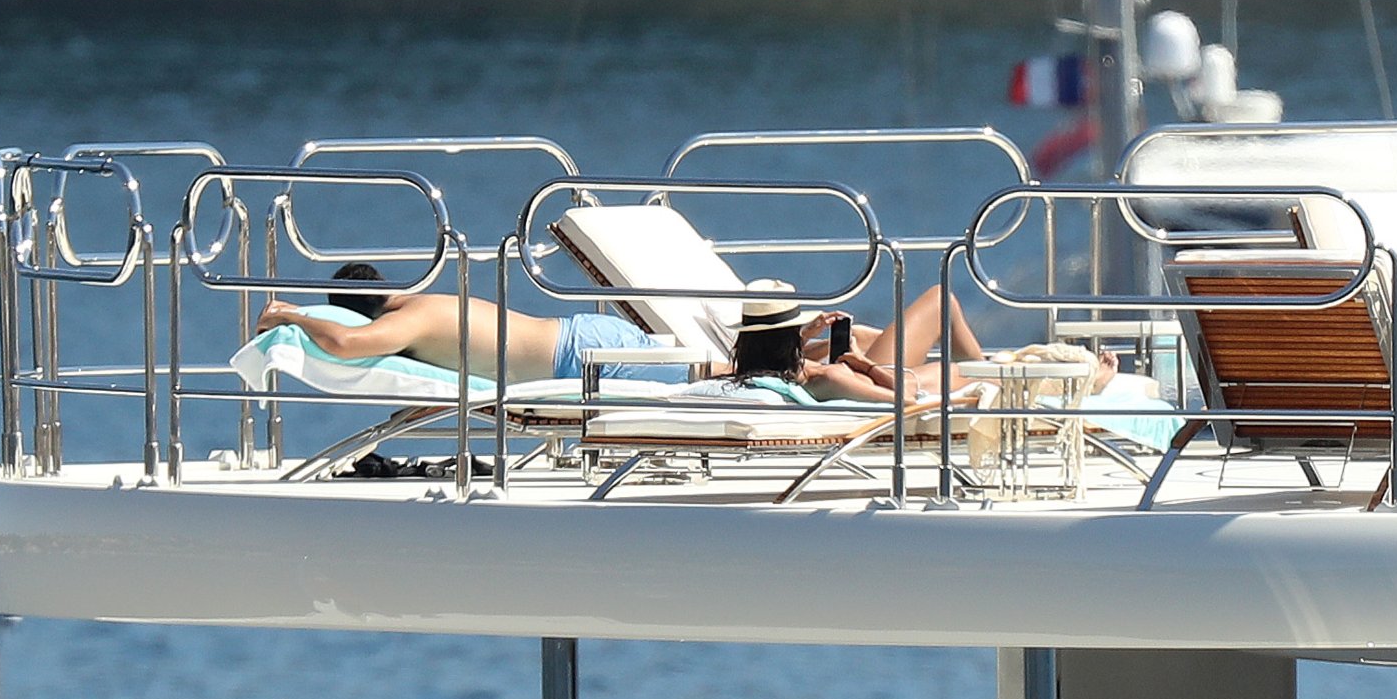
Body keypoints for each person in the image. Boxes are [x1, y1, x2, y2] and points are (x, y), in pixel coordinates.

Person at [254, 262, 694, 384]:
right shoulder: (425, 305)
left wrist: (291, 315)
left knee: (719, 378)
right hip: (582, 339)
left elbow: (346, 344)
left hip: (581, 360)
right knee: (707, 372)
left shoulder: (410, 319)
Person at [726, 279, 1116, 404]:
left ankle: (993, 369)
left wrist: (808, 339)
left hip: (871, 372)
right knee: (983, 371)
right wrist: (863, 365)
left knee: (864, 333)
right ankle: (1088, 383)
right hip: (902, 382)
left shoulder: (753, 369)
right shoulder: (828, 377)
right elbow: (906, 401)